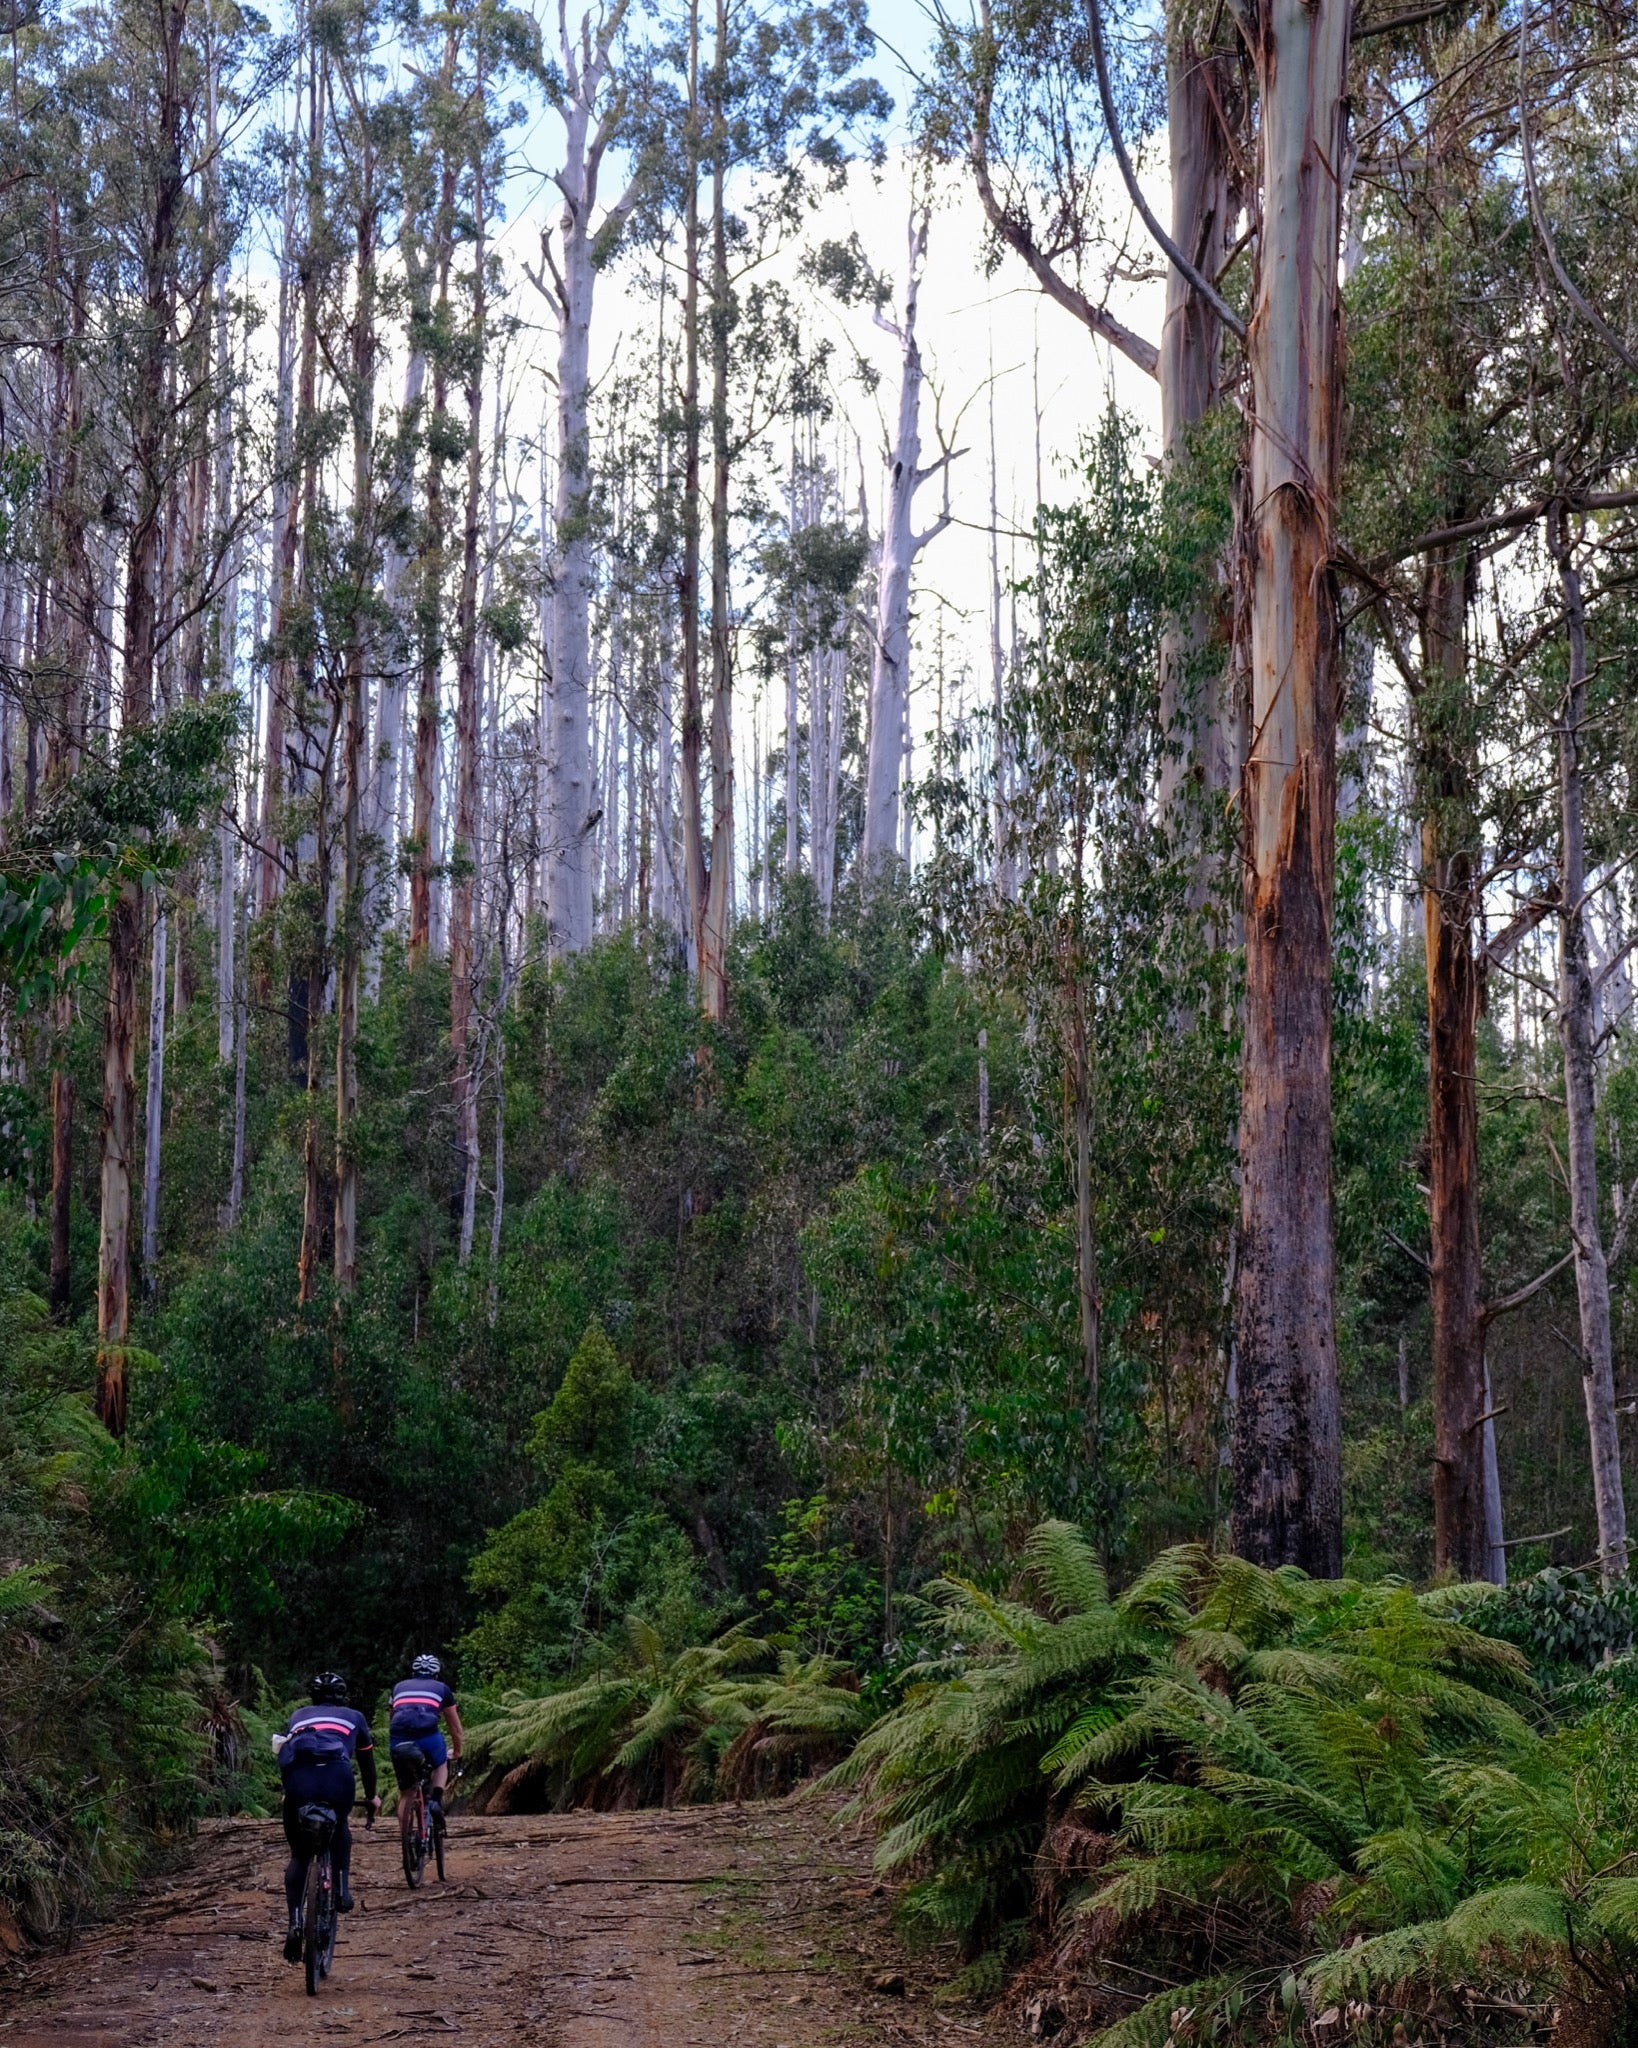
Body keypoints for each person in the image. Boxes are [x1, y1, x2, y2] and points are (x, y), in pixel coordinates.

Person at [271, 1671, 379, 1962]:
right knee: (340, 1824)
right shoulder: (355, 1717)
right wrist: (371, 1796)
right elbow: (367, 1764)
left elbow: (285, 1752)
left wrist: (289, 1791)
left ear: (313, 1697)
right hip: (337, 1778)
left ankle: (295, 1921)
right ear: (342, 1696)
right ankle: (342, 1890)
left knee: (299, 1855)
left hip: (299, 1780)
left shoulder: (298, 1715)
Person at [387, 1654, 464, 1816]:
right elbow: (455, 1727)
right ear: (436, 1674)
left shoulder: (398, 1687)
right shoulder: (442, 1689)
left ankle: (405, 1838)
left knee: (406, 1794)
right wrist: (457, 1751)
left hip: (399, 1738)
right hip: (428, 1736)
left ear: (413, 1672)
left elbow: (392, 1718)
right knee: (441, 1763)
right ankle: (435, 1800)